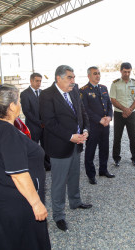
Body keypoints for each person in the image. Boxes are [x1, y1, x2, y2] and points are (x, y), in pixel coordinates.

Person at [0, 84, 51, 249]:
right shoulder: (7, 133)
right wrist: (36, 203)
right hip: (18, 204)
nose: (20, 105)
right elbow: (18, 174)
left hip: (2, 200)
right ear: (11, 106)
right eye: (18, 101)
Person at [39, 65, 92, 232]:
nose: (73, 81)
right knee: (59, 183)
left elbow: (82, 112)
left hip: (77, 143)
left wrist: (85, 130)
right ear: (58, 78)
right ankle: (59, 215)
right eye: (70, 77)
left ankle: (75, 202)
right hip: (60, 146)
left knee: (75, 175)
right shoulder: (47, 95)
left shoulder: (74, 90)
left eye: (74, 77)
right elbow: (49, 122)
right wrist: (70, 136)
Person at [80, 66, 115, 185]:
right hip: (93, 126)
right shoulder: (83, 90)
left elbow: (109, 105)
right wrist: (99, 119)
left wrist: (109, 117)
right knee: (90, 150)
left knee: (104, 148)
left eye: (99, 73)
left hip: (105, 125)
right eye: (95, 74)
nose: (98, 76)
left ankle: (103, 170)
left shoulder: (103, 88)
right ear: (89, 76)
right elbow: (85, 109)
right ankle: (91, 174)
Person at [110, 62, 135, 166]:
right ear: (121, 71)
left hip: (131, 114)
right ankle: (116, 158)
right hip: (119, 114)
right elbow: (113, 99)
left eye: (128, 72)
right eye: (125, 72)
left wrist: (129, 110)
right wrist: (124, 109)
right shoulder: (115, 83)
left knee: (133, 137)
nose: (127, 74)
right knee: (117, 137)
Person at [21, 72, 51, 171]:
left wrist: (45, 122)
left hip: (44, 125)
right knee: (33, 147)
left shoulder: (43, 93)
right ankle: (34, 166)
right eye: (37, 81)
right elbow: (27, 111)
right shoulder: (25, 94)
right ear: (31, 81)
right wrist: (39, 122)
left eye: (40, 81)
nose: (39, 83)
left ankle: (47, 165)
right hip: (33, 126)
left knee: (46, 146)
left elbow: (47, 108)